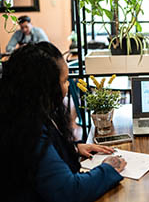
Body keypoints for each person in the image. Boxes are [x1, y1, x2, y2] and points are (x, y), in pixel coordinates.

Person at [0, 42, 126, 202]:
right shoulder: (30, 131)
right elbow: (69, 191)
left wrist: (72, 148)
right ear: (45, 88)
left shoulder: (17, 114)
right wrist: (108, 168)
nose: (67, 87)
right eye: (65, 81)